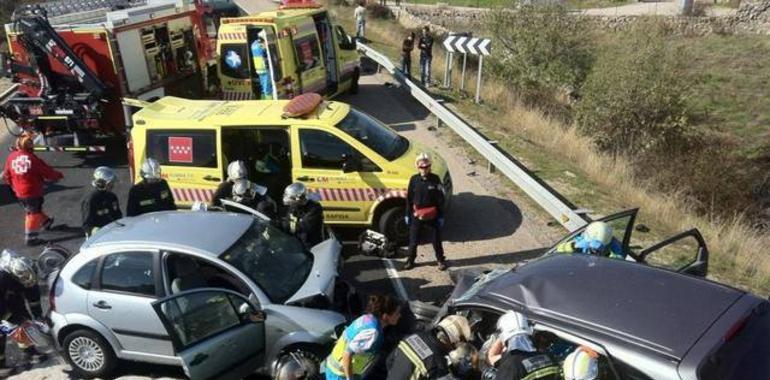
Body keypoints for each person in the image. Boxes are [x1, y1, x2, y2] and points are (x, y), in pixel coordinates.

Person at [2, 131, 63, 246]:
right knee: (33, 213)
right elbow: (47, 172)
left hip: (19, 192)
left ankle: (46, 222)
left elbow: (6, 175)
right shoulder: (32, 159)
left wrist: (13, 186)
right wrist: (58, 175)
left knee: (33, 208)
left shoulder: (11, 157)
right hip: (32, 191)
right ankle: (30, 238)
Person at [325, 294, 402, 380]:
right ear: (385, 316)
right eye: (397, 313)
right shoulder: (372, 332)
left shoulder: (367, 318)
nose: (399, 316)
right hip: (339, 375)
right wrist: (349, 378)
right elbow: (347, 354)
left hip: (334, 367)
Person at [0, 249, 46, 376]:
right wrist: (12, 319)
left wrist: (37, 316)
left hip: (9, 296)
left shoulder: (27, 273)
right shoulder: (2, 278)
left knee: (24, 321)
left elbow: (33, 298)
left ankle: (29, 352)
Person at [385, 314, 474, 380]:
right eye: (459, 343)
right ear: (453, 340)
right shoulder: (438, 365)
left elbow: (389, 361)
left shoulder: (414, 336)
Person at [484, 311, 560, 380]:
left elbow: (490, 358)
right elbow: (492, 359)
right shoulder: (548, 355)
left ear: (504, 336)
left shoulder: (510, 364)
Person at [404, 153, 446, 271]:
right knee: (413, 240)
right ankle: (410, 260)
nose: (424, 169)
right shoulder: (414, 180)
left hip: (432, 215)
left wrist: (441, 215)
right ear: (417, 166)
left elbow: (441, 198)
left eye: (426, 166)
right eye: (421, 167)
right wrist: (407, 214)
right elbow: (409, 198)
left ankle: (440, 260)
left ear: (430, 166)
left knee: (436, 240)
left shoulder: (435, 179)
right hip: (417, 214)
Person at [281, 182, 324, 248]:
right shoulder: (294, 206)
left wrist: (284, 225)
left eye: (291, 199)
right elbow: (289, 220)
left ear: (298, 198)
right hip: (296, 241)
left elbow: (304, 227)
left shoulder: (314, 208)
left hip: (311, 245)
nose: (290, 203)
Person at [81, 166, 122, 237]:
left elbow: (118, 215)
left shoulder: (112, 197)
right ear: (101, 184)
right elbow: (87, 225)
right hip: (99, 237)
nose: (112, 185)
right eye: (110, 183)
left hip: (113, 232)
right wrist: (96, 231)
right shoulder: (91, 200)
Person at [555, 221, 624, 259]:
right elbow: (559, 249)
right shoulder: (581, 240)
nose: (595, 250)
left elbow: (620, 261)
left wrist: (608, 254)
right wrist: (573, 246)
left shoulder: (613, 244)